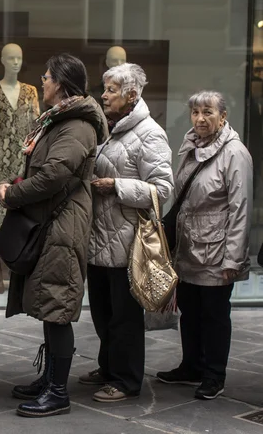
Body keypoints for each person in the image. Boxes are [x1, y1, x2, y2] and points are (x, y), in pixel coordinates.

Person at [0, 54, 108, 417]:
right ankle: (49, 380)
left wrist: (11, 194)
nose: (41, 81)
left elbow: (53, 176)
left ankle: (58, 392)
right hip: (52, 221)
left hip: (63, 224)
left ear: (60, 83)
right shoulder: (60, 120)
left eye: (45, 77)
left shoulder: (76, 126)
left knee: (57, 306)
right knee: (49, 303)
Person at [83, 63, 174, 402]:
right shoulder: (111, 129)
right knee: (103, 314)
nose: (103, 95)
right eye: (104, 88)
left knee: (124, 319)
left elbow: (163, 189)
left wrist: (117, 186)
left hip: (128, 243)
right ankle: (108, 368)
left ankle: (127, 380)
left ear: (131, 95)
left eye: (110, 90)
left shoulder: (150, 133)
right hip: (100, 238)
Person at [156, 91, 253, 400]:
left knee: (214, 314)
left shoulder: (235, 153)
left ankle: (214, 374)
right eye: (195, 112)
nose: (200, 118)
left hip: (216, 249)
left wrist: (232, 259)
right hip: (188, 246)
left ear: (222, 117)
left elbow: (241, 208)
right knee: (190, 309)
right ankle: (191, 366)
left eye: (207, 112)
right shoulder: (190, 146)